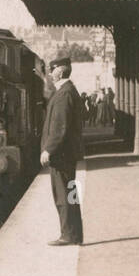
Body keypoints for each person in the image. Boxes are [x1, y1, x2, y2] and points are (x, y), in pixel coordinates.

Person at [40, 56, 84, 246]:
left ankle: (68, 235)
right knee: (71, 194)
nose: (50, 73)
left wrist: (48, 150)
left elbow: (60, 126)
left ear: (60, 71)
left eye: (52, 70)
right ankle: (74, 234)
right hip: (68, 154)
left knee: (64, 196)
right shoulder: (67, 91)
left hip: (62, 155)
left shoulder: (64, 94)